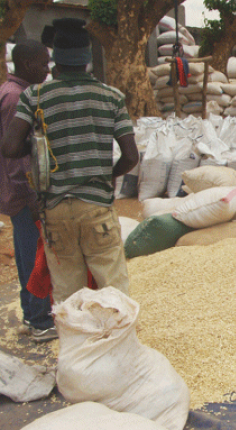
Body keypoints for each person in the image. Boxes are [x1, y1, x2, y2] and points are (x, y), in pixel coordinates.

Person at [0, 18, 139, 305]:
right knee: (113, 285)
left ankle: (76, 347)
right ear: (88, 60)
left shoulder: (35, 96)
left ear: (55, 62)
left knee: (67, 294)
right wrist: (106, 175)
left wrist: (39, 144)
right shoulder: (111, 97)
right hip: (97, 208)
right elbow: (131, 157)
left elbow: (10, 147)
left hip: (55, 209)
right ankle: (117, 345)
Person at [0, 40, 56, 342]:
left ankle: (34, 314)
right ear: (25, 64)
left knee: (28, 255)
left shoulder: (16, 93)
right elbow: (16, 155)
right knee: (32, 256)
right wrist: (32, 194)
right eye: (43, 64)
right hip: (22, 194)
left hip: (19, 192)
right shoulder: (15, 98)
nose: (47, 70)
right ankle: (38, 319)